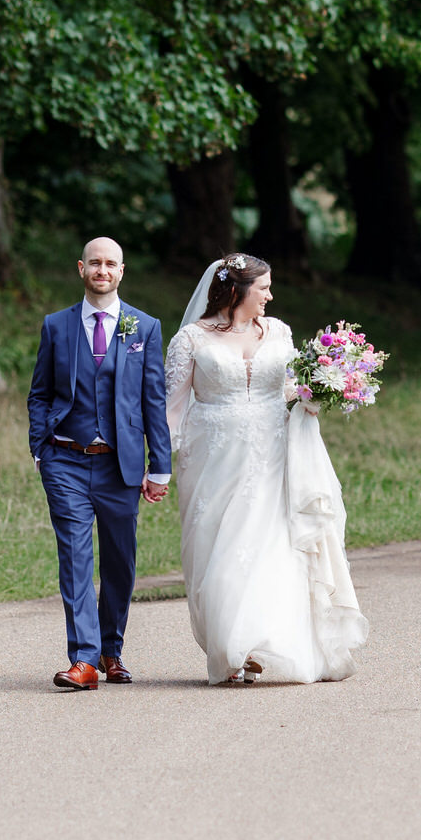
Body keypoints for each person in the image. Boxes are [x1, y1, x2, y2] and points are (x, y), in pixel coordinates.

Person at [164, 251, 367, 683]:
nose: (270, 297)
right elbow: (173, 410)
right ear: (236, 290)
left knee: (274, 546)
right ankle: (229, 646)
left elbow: (292, 387)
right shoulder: (191, 340)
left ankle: (260, 642)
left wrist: (319, 392)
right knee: (220, 548)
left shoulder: (279, 331)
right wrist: (158, 468)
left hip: (278, 452)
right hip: (214, 457)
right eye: (263, 288)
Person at [29, 237, 171, 691]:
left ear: (121, 271)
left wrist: (159, 465)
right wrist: (40, 447)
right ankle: (84, 660)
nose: (102, 270)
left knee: (120, 563)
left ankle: (112, 649)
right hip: (65, 459)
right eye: (95, 263)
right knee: (74, 557)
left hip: (120, 465)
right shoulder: (57, 325)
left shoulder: (142, 328)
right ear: (81, 268)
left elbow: (154, 400)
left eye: (110, 263)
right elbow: (40, 392)